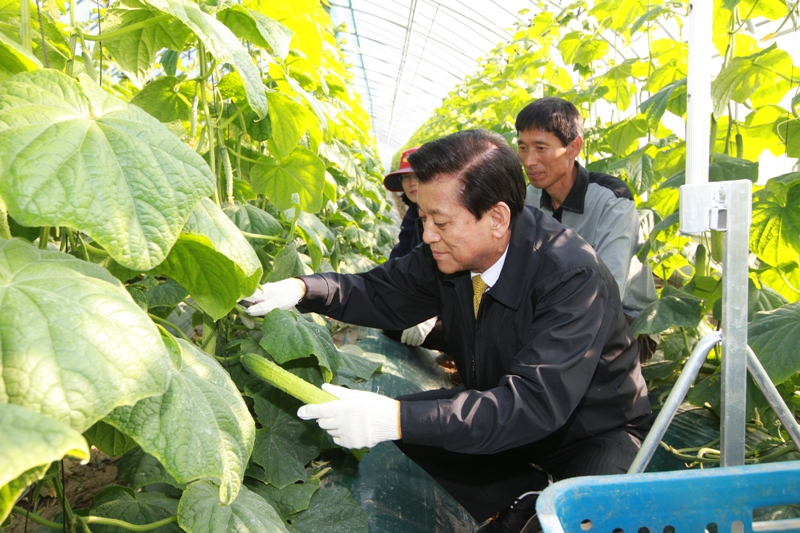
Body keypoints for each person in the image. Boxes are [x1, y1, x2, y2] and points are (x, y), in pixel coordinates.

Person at [244, 130, 653, 533]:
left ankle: (538, 508)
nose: (427, 235)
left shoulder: (570, 275)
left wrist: (397, 418)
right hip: (509, 413)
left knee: (583, 520)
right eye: (423, 217)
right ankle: (521, 498)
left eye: (440, 221)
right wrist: (301, 289)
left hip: (591, 435)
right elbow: (379, 291)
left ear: (497, 218)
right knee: (416, 425)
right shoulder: (450, 255)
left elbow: (533, 402)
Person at [516, 97, 657, 362]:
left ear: (574, 147)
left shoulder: (612, 202)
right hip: (551, 314)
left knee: (553, 354)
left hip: (625, 323)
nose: (529, 160)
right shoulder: (529, 198)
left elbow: (607, 292)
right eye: (523, 147)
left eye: (541, 148)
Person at [382, 147, 447, 352]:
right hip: (426, 294)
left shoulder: (447, 215)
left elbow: (460, 277)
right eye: (406, 177)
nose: (411, 183)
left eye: (417, 176)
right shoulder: (413, 214)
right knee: (386, 318)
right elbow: (401, 256)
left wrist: (431, 312)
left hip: (456, 303)